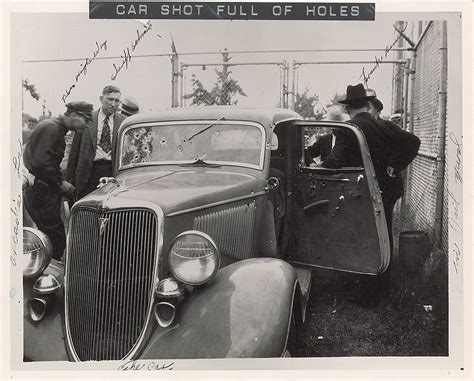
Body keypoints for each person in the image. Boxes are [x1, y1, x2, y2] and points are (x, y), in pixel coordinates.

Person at [23, 101, 93, 261]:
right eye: (86, 119)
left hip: (43, 190)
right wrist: (60, 183)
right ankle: (47, 277)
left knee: (52, 235)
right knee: (54, 238)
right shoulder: (52, 128)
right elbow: (41, 162)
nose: (87, 125)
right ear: (74, 115)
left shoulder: (54, 127)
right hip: (42, 192)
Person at [366, 90, 420, 254]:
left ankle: (385, 264)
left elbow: (413, 142)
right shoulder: (365, 126)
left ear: (377, 111)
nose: (366, 112)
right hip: (369, 185)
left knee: (383, 226)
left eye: (369, 108)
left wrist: (394, 165)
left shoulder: (385, 126)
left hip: (386, 186)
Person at [67, 85, 126, 199]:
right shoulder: (86, 120)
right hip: (89, 174)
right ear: (101, 99)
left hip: (113, 173)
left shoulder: (123, 122)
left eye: (117, 101)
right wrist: (70, 180)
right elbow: (74, 152)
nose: (113, 104)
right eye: (110, 99)